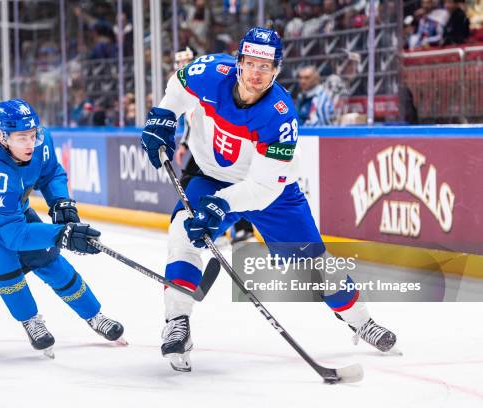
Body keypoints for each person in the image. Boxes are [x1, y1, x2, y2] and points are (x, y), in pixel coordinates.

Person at [140, 27, 397, 372]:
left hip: (272, 191)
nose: (257, 73)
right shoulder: (208, 72)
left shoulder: (279, 116)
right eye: (251, 63)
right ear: (238, 63)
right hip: (209, 175)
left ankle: (360, 321)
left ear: (276, 70)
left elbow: (262, 186)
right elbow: (178, 86)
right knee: (182, 234)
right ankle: (177, 323)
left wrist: (223, 204)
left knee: (317, 264)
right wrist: (164, 115)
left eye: (266, 66)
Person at [0, 99, 125, 358]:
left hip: (5, 204)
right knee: (1, 255)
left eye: (32, 134)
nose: (30, 143)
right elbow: (13, 235)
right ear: (2, 136)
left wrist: (60, 201)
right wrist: (62, 234)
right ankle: (30, 319)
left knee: (48, 258)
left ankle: (95, 315)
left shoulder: (41, 142)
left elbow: (52, 172)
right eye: (22, 137)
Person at [173, 47, 256, 244]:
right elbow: (190, 120)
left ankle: (224, 227)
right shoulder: (186, 85)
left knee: (217, 183)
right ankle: (214, 226)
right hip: (202, 146)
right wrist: (184, 143)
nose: (182, 65)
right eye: (179, 62)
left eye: (186, 60)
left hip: (214, 146)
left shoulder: (203, 81)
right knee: (195, 183)